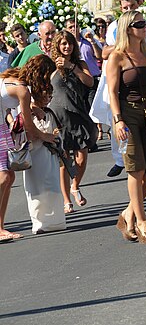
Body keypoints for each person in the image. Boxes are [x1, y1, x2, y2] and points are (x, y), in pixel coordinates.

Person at [107, 10, 146, 244]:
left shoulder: (145, 54)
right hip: (128, 112)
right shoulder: (118, 57)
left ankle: (127, 213)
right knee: (136, 169)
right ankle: (142, 221)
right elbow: (112, 92)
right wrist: (117, 120)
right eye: (140, 24)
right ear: (128, 28)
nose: (145, 27)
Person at [0, 55, 57, 242]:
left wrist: (33, 109)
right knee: (5, 176)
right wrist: (47, 136)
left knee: (9, 176)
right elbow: (29, 127)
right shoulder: (23, 89)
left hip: (2, 127)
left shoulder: (12, 77)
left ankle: (0, 227)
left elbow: (9, 108)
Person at [91, 0, 141, 177]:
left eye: (132, 6)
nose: (128, 10)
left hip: (137, 76)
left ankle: (140, 157)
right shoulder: (115, 26)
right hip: (118, 76)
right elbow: (107, 52)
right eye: (125, 7)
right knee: (116, 120)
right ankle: (120, 159)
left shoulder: (145, 23)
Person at [50, 30, 97, 214]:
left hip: (78, 114)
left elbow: (89, 82)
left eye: (69, 43)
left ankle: (75, 185)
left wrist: (72, 67)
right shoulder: (51, 65)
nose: (67, 46)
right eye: (63, 44)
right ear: (57, 46)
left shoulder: (80, 64)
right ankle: (66, 200)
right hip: (59, 116)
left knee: (82, 156)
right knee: (64, 160)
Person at [23, 90, 66, 234]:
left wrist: (55, 141)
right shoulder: (27, 112)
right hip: (34, 154)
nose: (49, 99)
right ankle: (40, 223)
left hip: (49, 153)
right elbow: (27, 133)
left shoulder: (48, 113)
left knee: (52, 185)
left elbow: (56, 133)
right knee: (35, 189)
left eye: (50, 96)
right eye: (46, 95)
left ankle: (56, 221)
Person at [65, 18, 102, 152]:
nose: (73, 29)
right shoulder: (68, 46)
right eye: (70, 27)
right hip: (77, 83)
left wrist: (92, 41)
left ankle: (93, 137)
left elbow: (100, 56)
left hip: (92, 80)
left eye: (75, 26)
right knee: (83, 111)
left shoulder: (88, 41)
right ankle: (88, 140)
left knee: (92, 110)